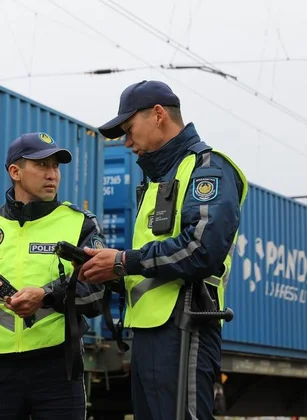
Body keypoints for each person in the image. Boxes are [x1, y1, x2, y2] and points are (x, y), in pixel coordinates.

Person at [78, 80, 248, 420]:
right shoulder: (156, 181)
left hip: (186, 326)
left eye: (129, 129)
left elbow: (202, 249)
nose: (127, 143)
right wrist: (109, 270)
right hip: (152, 333)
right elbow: (150, 263)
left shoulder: (206, 169)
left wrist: (124, 261)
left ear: (158, 115)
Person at [0, 132, 106, 420]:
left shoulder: (80, 224)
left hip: (57, 372)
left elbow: (99, 291)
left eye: (56, 166)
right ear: (15, 172)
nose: (52, 175)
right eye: (42, 165)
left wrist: (47, 295)